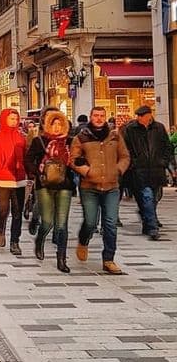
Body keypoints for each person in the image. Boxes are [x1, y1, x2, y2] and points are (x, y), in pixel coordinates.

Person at [70, 106, 130, 274]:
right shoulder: (81, 137)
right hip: (89, 186)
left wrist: (118, 170)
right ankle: (83, 240)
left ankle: (109, 259)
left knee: (110, 224)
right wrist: (86, 171)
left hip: (111, 186)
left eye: (101, 115)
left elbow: (125, 156)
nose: (98, 118)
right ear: (90, 117)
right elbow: (73, 159)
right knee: (90, 222)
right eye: (95, 115)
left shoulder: (115, 136)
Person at [24, 109, 73, 273]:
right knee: (47, 222)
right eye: (54, 124)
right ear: (48, 125)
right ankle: (40, 239)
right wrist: (38, 173)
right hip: (44, 185)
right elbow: (29, 160)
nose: (58, 127)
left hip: (64, 185)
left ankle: (61, 258)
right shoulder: (40, 141)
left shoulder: (69, 142)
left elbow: (78, 159)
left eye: (60, 124)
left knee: (62, 224)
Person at [120, 105, 172, 241]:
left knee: (154, 199)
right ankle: (153, 228)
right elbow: (125, 148)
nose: (139, 118)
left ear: (148, 116)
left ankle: (146, 222)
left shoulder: (159, 128)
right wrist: (133, 163)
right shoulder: (131, 129)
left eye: (141, 116)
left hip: (156, 169)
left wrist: (164, 162)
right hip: (139, 171)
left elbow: (167, 146)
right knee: (147, 197)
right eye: (138, 116)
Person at [0, 108, 28, 256]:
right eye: (11, 119)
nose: (14, 121)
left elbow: (26, 157)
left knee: (17, 212)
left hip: (19, 179)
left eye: (16, 119)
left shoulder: (21, 137)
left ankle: (15, 241)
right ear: (4, 119)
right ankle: (0, 230)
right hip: (2, 179)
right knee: (4, 209)